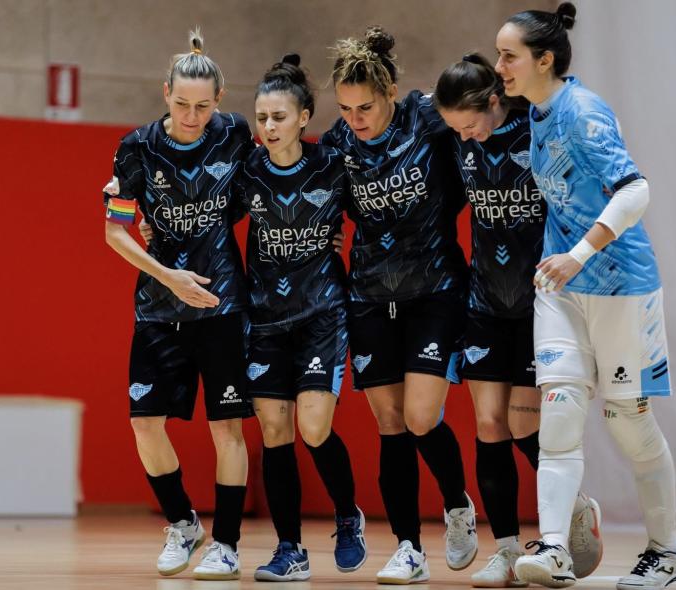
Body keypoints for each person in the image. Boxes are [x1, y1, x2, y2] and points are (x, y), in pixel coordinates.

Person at [493, 4, 676, 588]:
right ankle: (556, 549)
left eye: (509, 56)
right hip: (560, 287)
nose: (499, 66)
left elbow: (635, 191)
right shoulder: (535, 111)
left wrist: (578, 253)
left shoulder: (582, 111)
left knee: (627, 422)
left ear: (543, 60)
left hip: (619, 285)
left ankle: (668, 549)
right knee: (558, 417)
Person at [433, 53, 605, 587]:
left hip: (540, 304)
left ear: (494, 101)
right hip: (485, 302)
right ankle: (507, 550)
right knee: (488, 425)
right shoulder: (460, 143)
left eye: (470, 124)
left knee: (525, 425)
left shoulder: (538, 131)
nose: (465, 136)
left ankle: (574, 505)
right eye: (455, 129)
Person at [321, 26, 477, 585]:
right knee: (390, 424)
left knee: (420, 417)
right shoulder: (338, 143)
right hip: (369, 296)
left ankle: (457, 505)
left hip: (434, 290)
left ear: (390, 92)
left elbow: (482, 113)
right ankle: (408, 547)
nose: (355, 119)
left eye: (365, 107)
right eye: (345, 109)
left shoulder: (427, 117)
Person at [102, 29, 255, 581]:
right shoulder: (136, 148)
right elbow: (114, 232)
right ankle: (183, 524)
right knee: (144, 423)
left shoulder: (236, 134)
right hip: (158, 306)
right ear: (165, 92)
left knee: (227, 430)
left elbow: (255, 195)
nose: (192, 117)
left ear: (220, 100)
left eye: (203, 106)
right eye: (182, 104)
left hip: (221, 305)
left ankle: (226, 544)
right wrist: (168, 276)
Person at [236, 53, 366, 582]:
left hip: (321, 315)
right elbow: (206, 217)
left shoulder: (332, 164)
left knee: (313, 429)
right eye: (262, 118)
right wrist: (146, 222)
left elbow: (376, 214)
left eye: (279, 117)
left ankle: (347, 515)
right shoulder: (247, 170)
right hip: (266, 318)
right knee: (275, 431)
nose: (269, 127)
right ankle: (289, 549)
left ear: (304, 117)